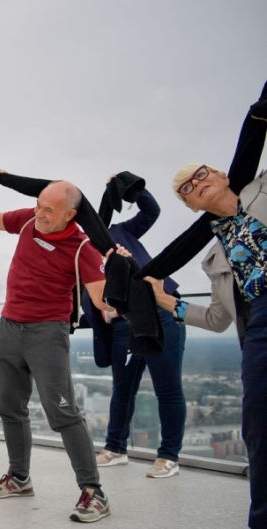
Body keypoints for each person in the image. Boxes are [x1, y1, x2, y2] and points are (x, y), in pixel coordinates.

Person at [0, 170, 114, 523]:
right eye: (39, 205)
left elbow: (102, 300)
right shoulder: (27, 222)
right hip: (7, 327)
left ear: (71, 214)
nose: (40, 213)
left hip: (47, 335)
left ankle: (94, 492)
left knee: (63, 414)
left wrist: (121, 276)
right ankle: (19, 477)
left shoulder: (83, 247)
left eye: (49, 210)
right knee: (9, 407)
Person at [145, 164, 267, 528]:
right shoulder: (214, 258)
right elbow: (217, 318)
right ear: (191, 208)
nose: (196, 184)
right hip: (261, 322)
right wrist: (165, 300)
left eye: (200, 174)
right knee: (258, 426)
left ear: (223, 174)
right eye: (186, 189)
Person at [85, 179, 187, 478]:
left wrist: (130, 187)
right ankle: (115, 449)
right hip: (121, 323)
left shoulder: (119, 232)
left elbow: (151, 211)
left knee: (167, 389)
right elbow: (84, 292)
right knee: (122, 389)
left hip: (161, 312)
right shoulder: (83, 249)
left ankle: (169, 456)